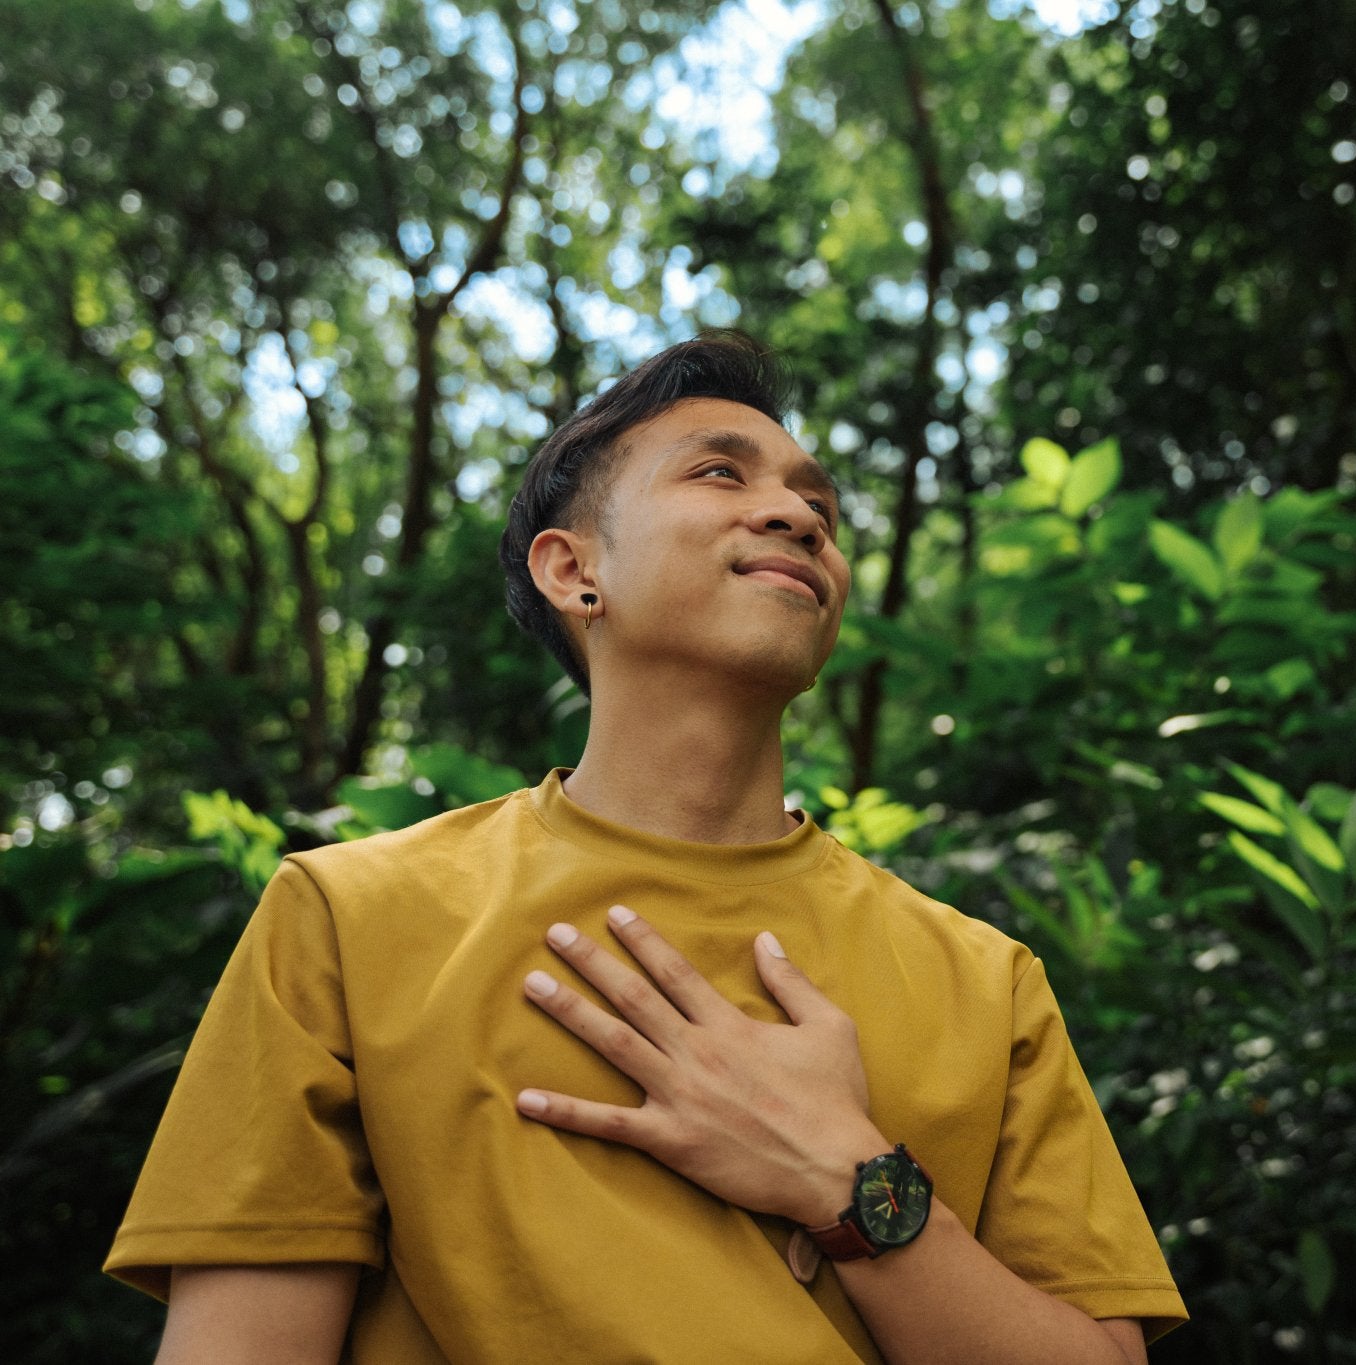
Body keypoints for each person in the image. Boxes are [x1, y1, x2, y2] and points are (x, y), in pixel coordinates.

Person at [104, 329, 1187, 1362]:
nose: (798, 516)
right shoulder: (347, 917)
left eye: (817, 502)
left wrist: (851, 1179)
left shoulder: (987, 984)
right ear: (574, 570)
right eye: (720, 474)